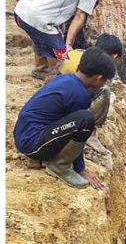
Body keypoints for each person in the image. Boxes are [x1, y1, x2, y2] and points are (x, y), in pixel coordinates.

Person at [12, 48, 117, 187]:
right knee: (86, 119)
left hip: (24, 134)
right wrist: (81, 169)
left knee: (82, 117)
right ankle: (60, 166)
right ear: (98, 78)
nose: (103, 85)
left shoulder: (67, 78)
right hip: (32, 144)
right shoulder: (79, 95)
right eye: (104, 81)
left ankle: (53, 156)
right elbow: (79, 128)